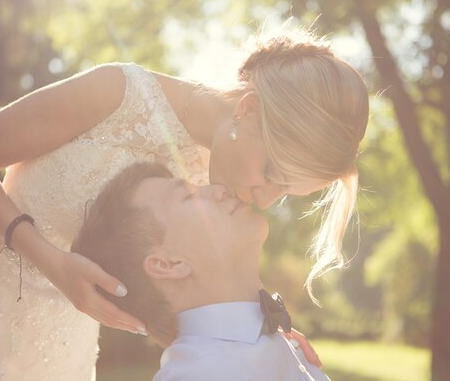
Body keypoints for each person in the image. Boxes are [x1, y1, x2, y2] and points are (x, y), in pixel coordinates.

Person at [0, 28, 368, 380]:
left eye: (286, 192)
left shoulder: (213, 185)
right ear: (246, 111)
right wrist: (50, 262)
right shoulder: (117, 93)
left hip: (57, 349)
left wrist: (264, 339)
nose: (265, 200)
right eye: (271, 175)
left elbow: (194, 290)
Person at [73, 162, 331, 381]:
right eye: (189, 196)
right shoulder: (196, 374)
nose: (219, 190)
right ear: (168, 264)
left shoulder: (285, 343)